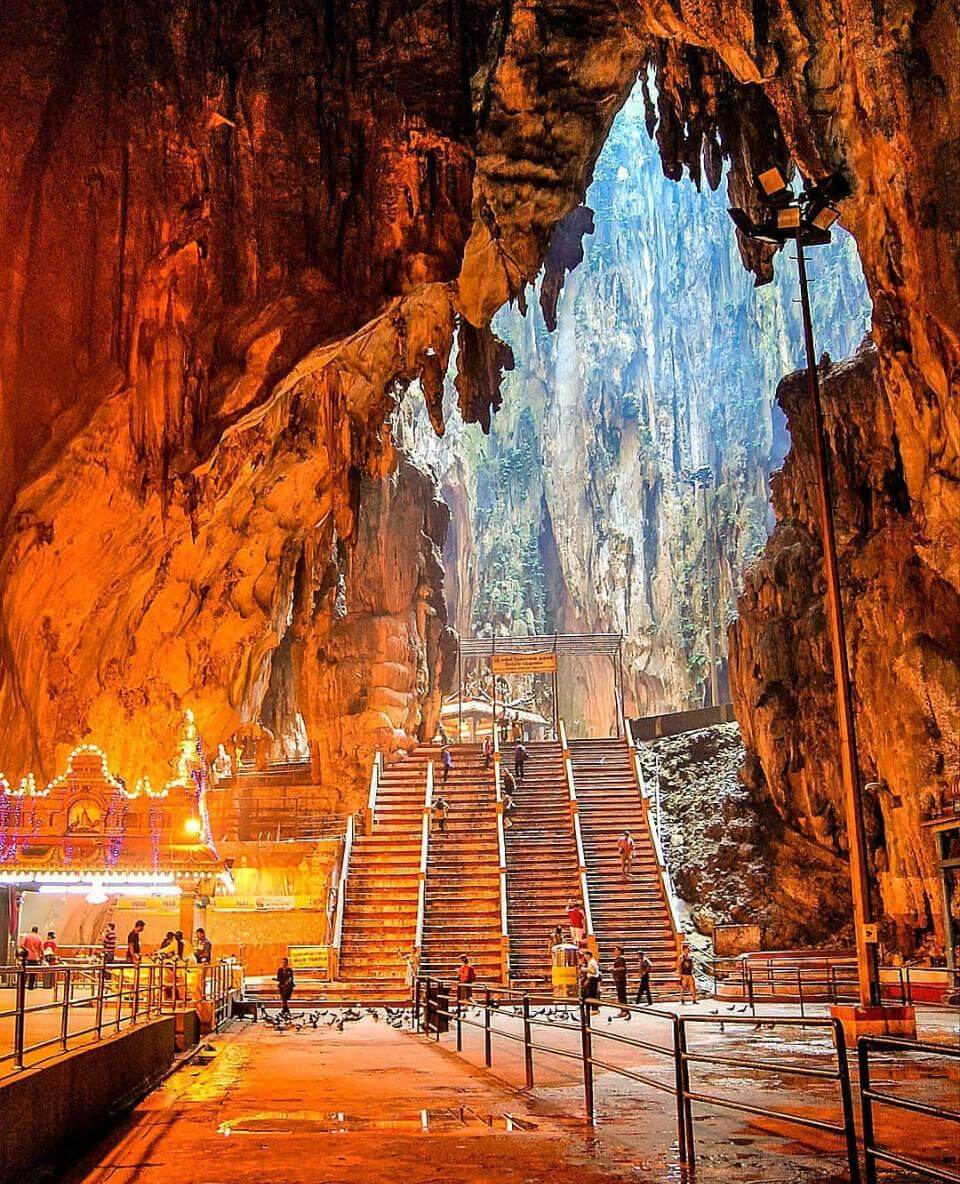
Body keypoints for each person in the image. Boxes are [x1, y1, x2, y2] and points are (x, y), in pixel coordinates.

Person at [611, 945, 630, 1019]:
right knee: (620, 996)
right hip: (618, 979)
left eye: (615, 950)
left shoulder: (621, 959)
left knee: (622, 996)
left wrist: (614, 969)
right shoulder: (618, 959)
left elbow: (623, 968)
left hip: (620, 980)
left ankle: (624, 1011)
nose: (614, 952)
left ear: (619, 951)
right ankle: (623, 1010)